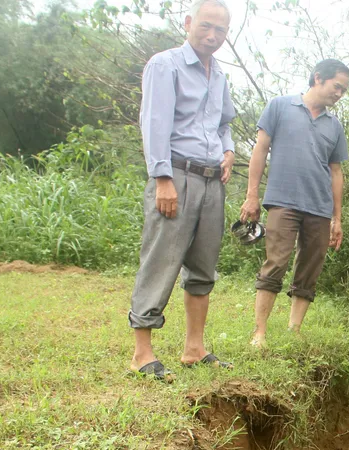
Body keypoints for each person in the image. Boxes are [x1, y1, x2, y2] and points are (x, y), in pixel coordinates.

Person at [128, 0, 236, 380]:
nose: (212, 36)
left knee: (204, 265)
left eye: (220, 30)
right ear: (188, 23)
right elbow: (154, 124)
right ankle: (142, 353)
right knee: (161, 260)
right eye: (205, 26)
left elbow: (224, 123)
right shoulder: (165, 64)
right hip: (175, 175)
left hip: (212, 180)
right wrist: (162, 179)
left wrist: (229, 150)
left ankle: (195, 348)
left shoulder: (219, 73)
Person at [239, 59, 349, 347]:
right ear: (318, 78)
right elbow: (260, 149)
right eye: (337, 87)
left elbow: (336, 172)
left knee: (310, 268)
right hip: (283, 201)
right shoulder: (280, 106)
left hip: (319, 207)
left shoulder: (334, 126)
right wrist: (252, 195)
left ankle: (294, 331)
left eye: (344, 90)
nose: (339, 94)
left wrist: (337, 218)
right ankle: (259, 332)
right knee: (275, 262)